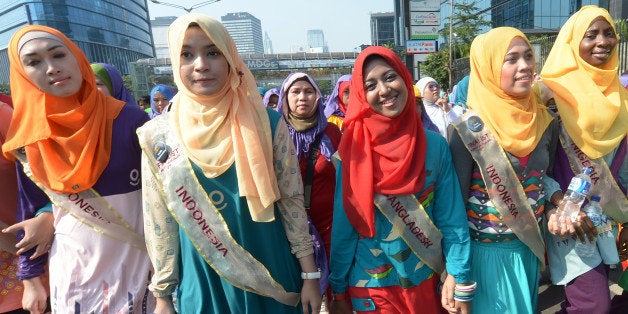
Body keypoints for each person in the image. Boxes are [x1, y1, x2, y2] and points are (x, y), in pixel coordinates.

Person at [136, 13, 322, 314]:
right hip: (202, 278)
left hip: (270, 271)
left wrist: (310, 275)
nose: (201, 65)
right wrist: (163, 294)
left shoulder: (269, 123)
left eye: (213, 52)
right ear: (174, 62)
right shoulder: (158, 135)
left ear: (230, 57)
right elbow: (159, 220)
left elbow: (290, 201)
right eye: (187, 54)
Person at [1, 25, 153, 313]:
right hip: (73, 276)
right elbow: (28, 209)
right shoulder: (30, 138)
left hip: (139, 268)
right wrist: (31, 280)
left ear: (77, 58)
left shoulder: (130, 121)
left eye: (58, 55)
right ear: (23, 75)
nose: (51, 68)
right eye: (34, 62)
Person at [329, 46, 473, 314]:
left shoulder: (435, 146)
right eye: (370, 85)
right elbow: (344, 228)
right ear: (362, 96)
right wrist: (337, 289)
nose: (383, 90)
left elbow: (451, 218)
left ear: (406, 80)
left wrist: (459, 274)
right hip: (369, 285)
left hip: (425, 280)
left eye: (390, 77)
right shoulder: (350, 153)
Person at [448, 27, 557, 314]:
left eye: (528, 56)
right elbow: (454, 206)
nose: (525, 66)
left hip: (528, 252)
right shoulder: (467, 129)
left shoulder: (545, 120)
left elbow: (544, 177)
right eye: (511, 59)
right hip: (482, 258)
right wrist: (457, 273)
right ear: (489, 67)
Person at [539, 6, 628, 313]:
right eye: (591, 35)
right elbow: (535, 165)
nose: (602, 41)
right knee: (593, 306)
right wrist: (561, 201)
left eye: (608, 34)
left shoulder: (621, 97)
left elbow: (624, 164)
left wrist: (626, 220)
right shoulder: (550, 98)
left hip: (611, 221)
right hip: (570, 221)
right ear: (572, 43)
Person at [277, 72, 342, 301]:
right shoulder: (274, 133)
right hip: (288, 228)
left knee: (335, 293)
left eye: (308, 91)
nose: (302, 97)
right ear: (285, 97)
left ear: (318, 97)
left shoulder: (332, 132)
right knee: (295, 291)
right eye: (295, 92)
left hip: (330, 227)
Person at [416, 76, 463, 141]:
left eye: (437, 86)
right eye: (431, 86)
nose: (435, 88)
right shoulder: (419, 111)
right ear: (422, 91)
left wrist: (448, 110)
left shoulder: (443, 106)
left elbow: (459, 127)